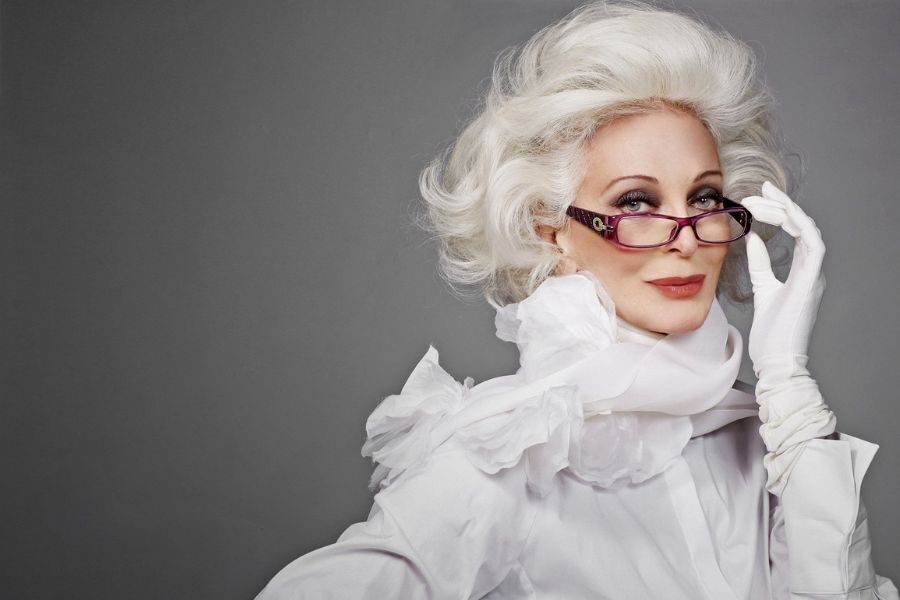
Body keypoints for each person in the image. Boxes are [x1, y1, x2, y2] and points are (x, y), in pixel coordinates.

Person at [256, 1, 898, 598]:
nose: (684, 239)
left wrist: (788, 386)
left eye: (704, 198)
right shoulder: (514, 456)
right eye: (636, 202)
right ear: (551, 229)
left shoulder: (774, 443)